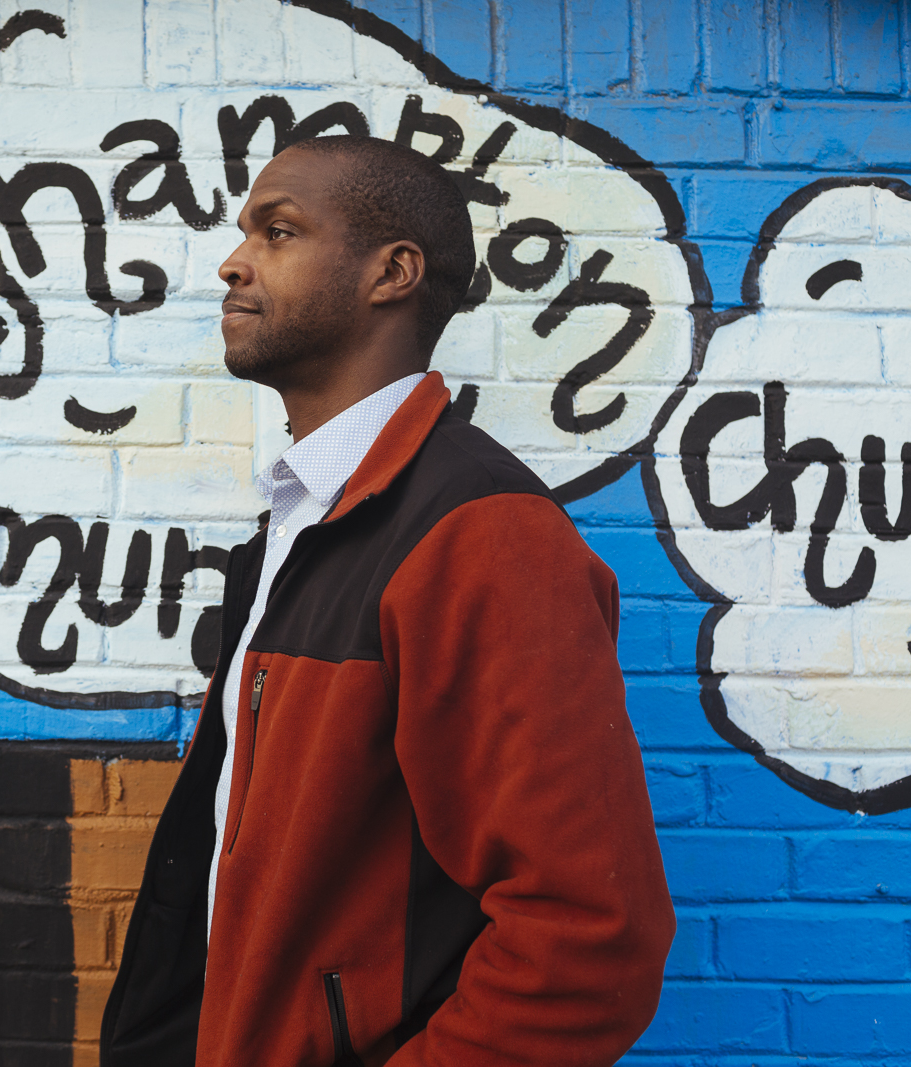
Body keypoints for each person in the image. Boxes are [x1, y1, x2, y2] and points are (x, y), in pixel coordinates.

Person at [99, 135, 674, 1067]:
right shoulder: (299, 519)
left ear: (393, 273)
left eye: (277, 232)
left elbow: (589, 943)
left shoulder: (481, 536)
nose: (233, 260)